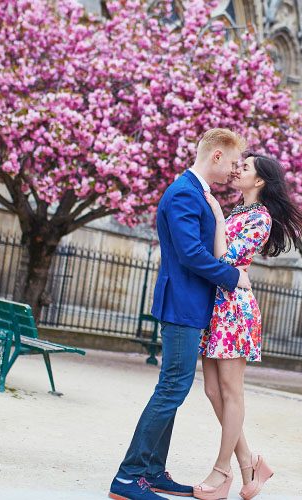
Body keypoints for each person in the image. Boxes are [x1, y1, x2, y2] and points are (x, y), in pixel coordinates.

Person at [109, 129, 253, 500]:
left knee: (173, 388)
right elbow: (191, 253)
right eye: (233, 163)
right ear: (216, 156)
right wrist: (233, 276)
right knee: (171, 389)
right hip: (183, 305)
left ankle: (153, 471)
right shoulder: (185, 193)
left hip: (190, 304)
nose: (233, 172)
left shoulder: (195, 193)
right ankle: (129, 477)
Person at [194, 153, 302, 500]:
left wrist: (216, 215)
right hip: (217, 306)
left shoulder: (259, 217)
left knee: (231, 391)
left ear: (259, 181)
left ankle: (222, 471)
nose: (237, 170)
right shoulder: (240, 212)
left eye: (245, 168)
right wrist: (220, 217)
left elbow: (224, 260)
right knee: (213, 391)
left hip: (234, 310)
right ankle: (249, 462)